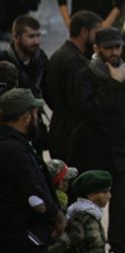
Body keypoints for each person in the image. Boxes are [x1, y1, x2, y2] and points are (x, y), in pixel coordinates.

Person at [69, 28, 125, 253]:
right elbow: (91, 112)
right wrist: (113, 83)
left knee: (123, 209)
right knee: (89, 210)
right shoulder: (85, 77)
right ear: (97, 49)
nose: (114, 53)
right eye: (109, 48)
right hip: (95, 154)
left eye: (118, 48)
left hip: (123, 155)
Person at [0, 88, 64, 253]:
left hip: (17, 237)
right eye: (35, 114)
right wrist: (56, 216)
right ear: (26, 116)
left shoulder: (16, 144)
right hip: (25, 238)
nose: (37, 119)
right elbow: (33, 192)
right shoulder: (12, 149)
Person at [44, 11, 102, 161]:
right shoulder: (76, 62)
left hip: (58, 128)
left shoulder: (58, 55)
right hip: (71, 135)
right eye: (97, 32)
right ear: (84, 32)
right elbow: (81, 103)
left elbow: (47, 92)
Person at [49, 170, 112, 253]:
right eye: (105, 192)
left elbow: (98, 251)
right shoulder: (81, 219)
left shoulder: (93, 216)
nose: (109, 196)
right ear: (92, 195)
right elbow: (62, 245)